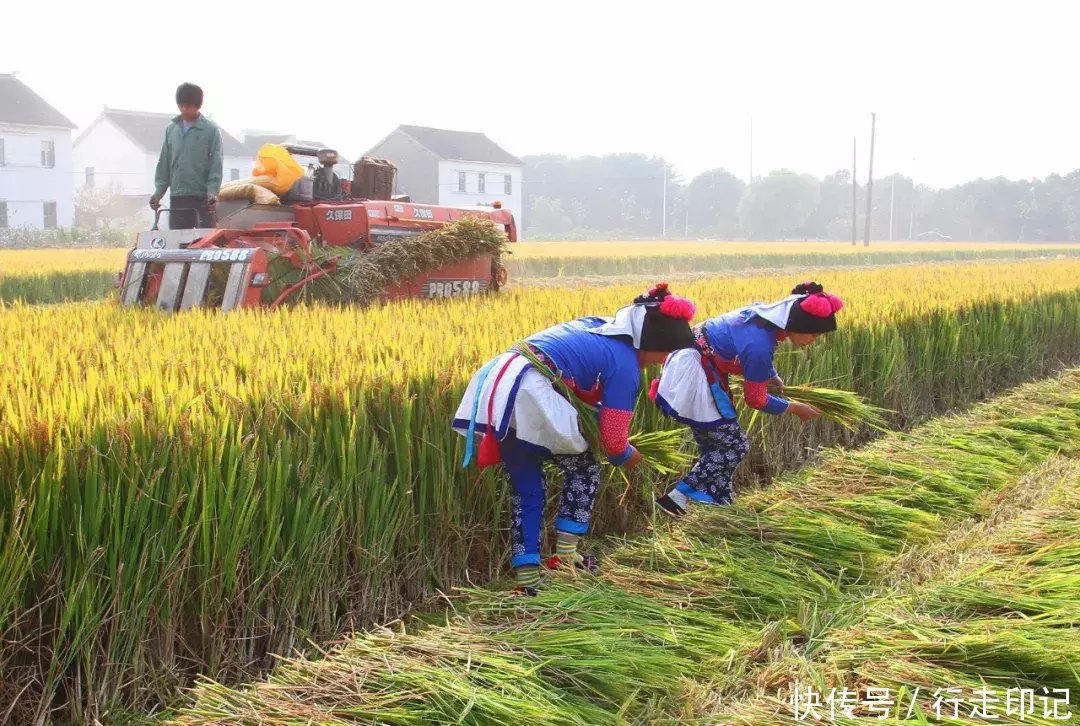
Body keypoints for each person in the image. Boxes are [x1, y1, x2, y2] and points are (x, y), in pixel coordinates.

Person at [453, 283, 698, 594]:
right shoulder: (624, 365)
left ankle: (527, 580)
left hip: (499, 387)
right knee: (584, 469)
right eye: (664, 353)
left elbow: (577, 379)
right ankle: (566, 556)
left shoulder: (600, 327)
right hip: (530, 391)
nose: (662, 361)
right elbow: (612, 441)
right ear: (651, 341)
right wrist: (629, 456)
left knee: (526, 488)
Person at [651, 281, 844, 518]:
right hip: (695, 375)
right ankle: (677, 498)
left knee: (716, 447)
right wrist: (794, 408)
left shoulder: (764, 318)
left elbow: (740, 344)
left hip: (694, 365)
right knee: (735, 445)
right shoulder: (759, 344)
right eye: (813, 334)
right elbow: (756, 399)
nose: (813, 340)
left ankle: (721, 505)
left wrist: (770, 375)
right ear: (796, 324)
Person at [150, 82, 223, 229]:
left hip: (202, 198)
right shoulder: (171, 129)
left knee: (202, 245)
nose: (184, 109)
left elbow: (216, 163)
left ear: (198, 106)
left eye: (189, 106)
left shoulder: (210, 130)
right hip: (178, 197)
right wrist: (158, 193)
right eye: (181, 105)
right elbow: (164, 163)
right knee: (178, 244)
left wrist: (212, 193)